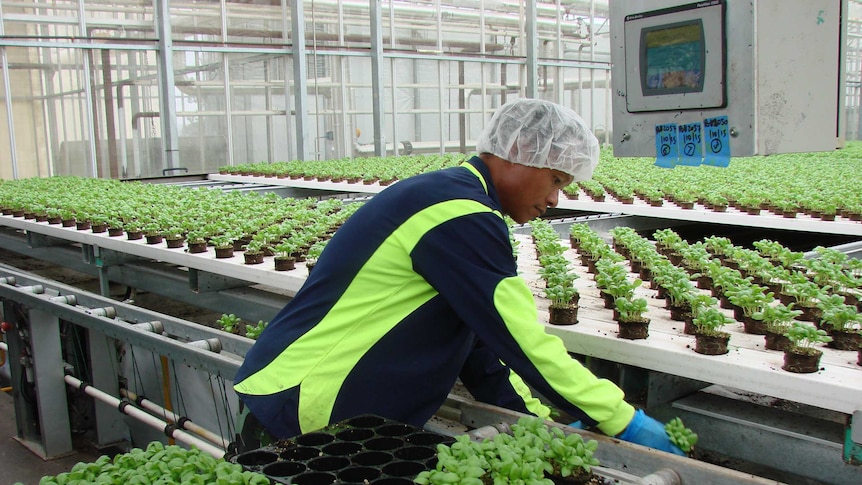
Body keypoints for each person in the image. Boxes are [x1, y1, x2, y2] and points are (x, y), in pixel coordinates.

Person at [232, 98, 685, 456]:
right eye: (555, 179)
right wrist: (622, 418)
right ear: (520, 154)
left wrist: (539, 424)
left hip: (311, 404)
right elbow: (523, 340)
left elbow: (484, 348)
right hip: (308, 408)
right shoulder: (460, 214)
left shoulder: (453, 199)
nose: (554, 199)